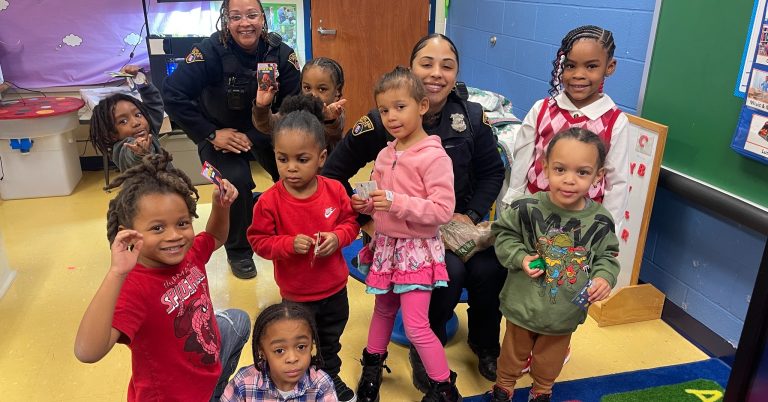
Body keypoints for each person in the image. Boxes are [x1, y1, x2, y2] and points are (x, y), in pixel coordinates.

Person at [322, 33, 506, 388]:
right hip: (405, 233)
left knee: (490, 269)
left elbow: (491, 172)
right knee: (447, 275)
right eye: (426, 63)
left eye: (447, 66)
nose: (437, 73)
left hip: (460, 223)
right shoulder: (382, 119)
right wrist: (367, 220)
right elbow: (333, 174)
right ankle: (425, 351)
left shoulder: (470, 116)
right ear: (411, 70)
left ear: (456, 74)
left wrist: (471, 214)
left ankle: (485, 346)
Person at [74, 151, 251, 402]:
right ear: (129, 235)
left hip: (203, 372)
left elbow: (215, 237)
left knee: (239, 320)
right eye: (157, 228)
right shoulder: (134, 286)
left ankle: (215, 387)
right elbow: (87, 351)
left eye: (182, 223)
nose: (174, 236)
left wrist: (221, 207)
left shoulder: (187, 255)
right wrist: (116, 272)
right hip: (171, 395)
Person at [162, 0, 301, 280]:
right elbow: (172, 94)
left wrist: (264, 133)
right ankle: (238, 250)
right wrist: (211, 134)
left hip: (264, 132)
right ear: (225, 20)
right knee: (234, 183)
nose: (244, 23)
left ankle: (294, 227)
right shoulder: (209, 52)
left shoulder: (281, 54)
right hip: (217, 136)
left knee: (300, 170)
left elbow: (294, 104)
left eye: (251, 15)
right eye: (235, 17)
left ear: (263, 18)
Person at [488, 128, 620, 402]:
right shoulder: (525, 208)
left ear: (598, 176)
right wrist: (520, 257)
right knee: (512, 353)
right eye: (560, 169)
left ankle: (542, 392)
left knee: (550, 360)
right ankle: (503, 388)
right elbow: (502, 235)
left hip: (564, 312)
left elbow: (608, 256)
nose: (569, 180)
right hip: (522, 304)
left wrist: (604, 277)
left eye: (582, 173)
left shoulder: (601, 220)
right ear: (545, 167)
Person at [352, 67, 460, 402]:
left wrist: (397, 202)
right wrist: (366, 204)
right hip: (386, 247)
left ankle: (444, 388)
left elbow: (441, 211)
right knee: (383, 310)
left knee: (415, 324)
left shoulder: (435, 156)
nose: (391, 116)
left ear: (422, 106)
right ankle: (372, 368)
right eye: (384, 110)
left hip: (416, 250)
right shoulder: (385, 154)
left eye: (401, 107)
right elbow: (380, 204)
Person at [246, 110, 359, 401]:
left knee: (330, 339)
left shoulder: (334, 190)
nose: (291, 168)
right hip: (297, 296)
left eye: (302, 159)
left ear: (321, 158)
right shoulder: (269, 201)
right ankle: (303, 380)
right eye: (282, 159)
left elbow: (350, 223)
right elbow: (258, 241)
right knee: (299, 342)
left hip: (335, 288)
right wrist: (285, 244)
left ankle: (329, 375)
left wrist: (337, 238)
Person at [504, 25, 629, 230]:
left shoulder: (615, 122)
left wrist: (608, 229)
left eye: (591, 66)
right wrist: (514, 204)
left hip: (582, 225)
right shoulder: (542, 109)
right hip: (534, 215)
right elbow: (522, 161)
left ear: (610, 67)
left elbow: (617, 184)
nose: (578, 75)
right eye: (570, 66)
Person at [220, 302, 337, 401]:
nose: (292, 358)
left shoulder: (322, 385)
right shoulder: (243, 382)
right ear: (262, 351)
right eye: (279, 350)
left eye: (301, 347)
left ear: (311, 345)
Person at [253, 57, 347, 152]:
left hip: (327, 165)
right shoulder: (296, 108)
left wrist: (328, 119)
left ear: (337, 92)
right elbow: (267, 125)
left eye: (322, 89)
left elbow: (333, 132)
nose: (313, 95)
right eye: (307, 88)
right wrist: (262, 106)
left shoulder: (335, 113)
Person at [89, 65, 168, 173]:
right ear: (111, 134)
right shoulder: (123, 148)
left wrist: (139, 79)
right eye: (123, 121)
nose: (136, 123)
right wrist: (139, 153)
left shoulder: (148, 134)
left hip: (170, 187)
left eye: (138, 115)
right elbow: (130, 156)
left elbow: (154, 104)